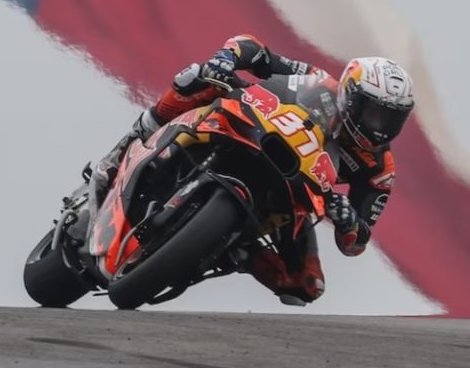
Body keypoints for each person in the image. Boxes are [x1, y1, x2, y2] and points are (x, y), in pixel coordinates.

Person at [86, 35, 414, 305]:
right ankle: (127, 144)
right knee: (197, 77)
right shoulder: (317, 82)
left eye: (392, 119)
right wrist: (226, 58)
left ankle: (238, 252)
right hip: (253, 130)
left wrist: (348, 221)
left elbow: (356, 242)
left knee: (307, 286)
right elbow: (256, 51)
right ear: (351, 95)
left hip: (296, 190)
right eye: (374, 113)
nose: (380, 127)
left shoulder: (379, 167)